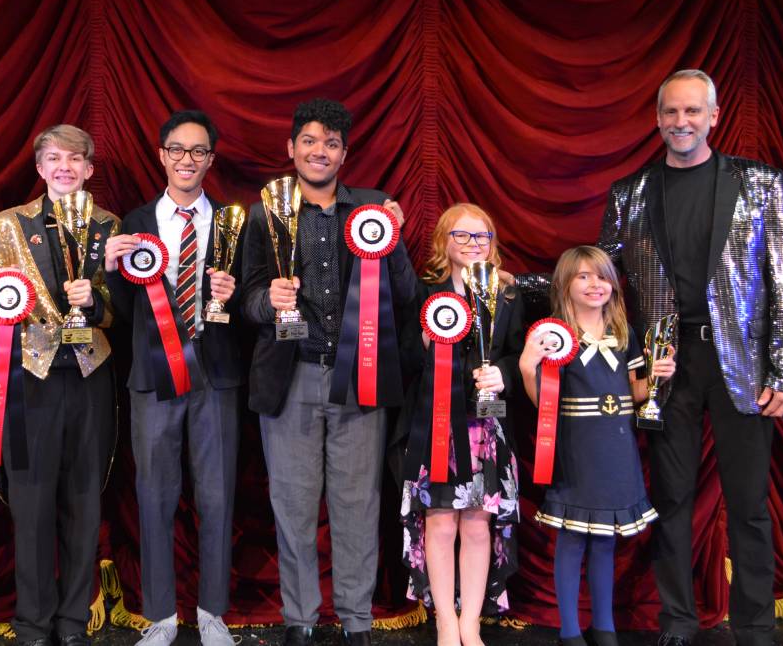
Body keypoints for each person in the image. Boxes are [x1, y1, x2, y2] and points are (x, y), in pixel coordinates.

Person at [601, 70, 783, 646]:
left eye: (693, 112)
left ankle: (756, 626)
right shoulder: (629, 193)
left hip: (741, 365)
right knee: (671, 498)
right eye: (671, 112)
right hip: (665, 365)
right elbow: (606, 282)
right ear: (657, 118)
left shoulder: (759, 183)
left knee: (748, 503)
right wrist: (529, 287)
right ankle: (678, 620)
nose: (681, 122)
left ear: (714, 116)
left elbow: (782, 278)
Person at [241, 98, 418, 646]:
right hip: (290, 377)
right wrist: (268, 300)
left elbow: (408, 295)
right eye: (310, 141)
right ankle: (299, 620)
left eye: (332, 143)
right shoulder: (263, 213)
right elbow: (245, 304)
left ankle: (356, 621)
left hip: (359, 378)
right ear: (291, 148)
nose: (321, 151)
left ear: (346, 153)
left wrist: (390, 239)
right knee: (291, 503)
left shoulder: (371, 212)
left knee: (357, 503)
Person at [104, 110, 241, 646]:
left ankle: (212, 613)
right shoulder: (131, 224)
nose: (188, 160)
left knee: (217, 497)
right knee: (154, 495)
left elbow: (253, 302)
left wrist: (234, 297)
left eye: (199, 151)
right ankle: (160, 615)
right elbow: (118, 311)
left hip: (217, 374)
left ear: (211, 159)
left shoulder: (236, 221)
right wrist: (111, 273)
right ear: (161, 155)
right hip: (153, 378)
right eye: (178, 150)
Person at [0, 124, 119, 646]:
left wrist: (98, 301)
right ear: (39, 168)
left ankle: (73, 622)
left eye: (75, 158)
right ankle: (34, 624)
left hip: (89, 377)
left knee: (85, 502)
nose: (65, 166)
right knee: (33, 505)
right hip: (29, 379)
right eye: (54, 158)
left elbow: (122, 308)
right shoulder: (8, 225)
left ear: (89, 168)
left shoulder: (111, 226)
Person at [519, 246, 674, 646]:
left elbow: (637, 393)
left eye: (602, 276)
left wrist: (658, 376)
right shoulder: (554, 333)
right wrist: (526, 367)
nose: (595, 284)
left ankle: (604, 627)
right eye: (584, 276)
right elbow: (542, 402)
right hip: (574, 449)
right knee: (572, 538)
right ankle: (570, 631)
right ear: (565, 283)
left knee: (605, 538)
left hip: (616, 449)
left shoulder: (626, 333)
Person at [397, 204, 521, 646]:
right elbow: (405, 362)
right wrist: (424, 341)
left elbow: (518, 353)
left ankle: (471, 621)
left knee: (476, 524)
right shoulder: (425, 293)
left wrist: (502, 372)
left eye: (481, 236)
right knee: (441, 523)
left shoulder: (508, 296)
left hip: (487, 429)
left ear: (493, 243)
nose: (473, 245)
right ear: (443, 242)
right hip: (436, 429)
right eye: (462, 236)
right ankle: (445, 620)